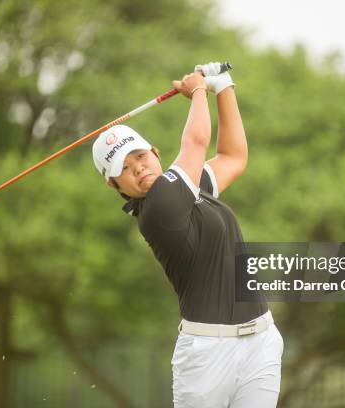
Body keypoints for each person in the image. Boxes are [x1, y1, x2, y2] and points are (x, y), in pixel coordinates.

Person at [92, 62, 283, 408]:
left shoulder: (193, 190)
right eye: (123, 166)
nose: (136, 166)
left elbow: (233, 157)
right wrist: (198, 89)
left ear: (154, 153)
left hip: (260, 340)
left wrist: (224, 87)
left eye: (138, 154)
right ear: (114, 184)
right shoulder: (158, 207)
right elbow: (196, 141)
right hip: (207, 357)